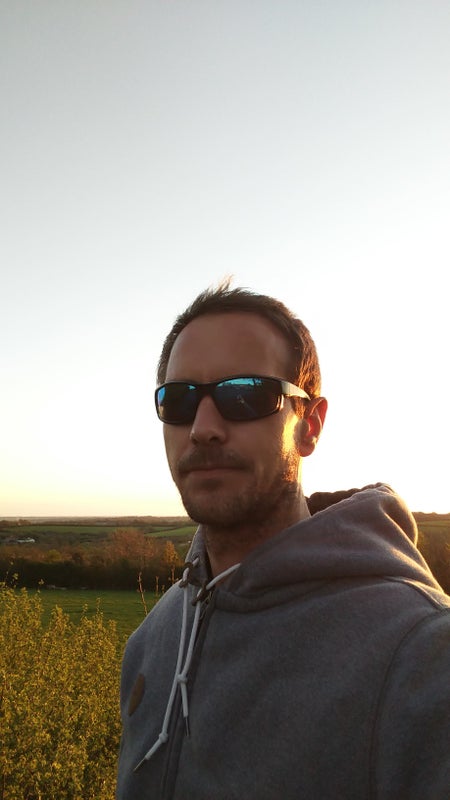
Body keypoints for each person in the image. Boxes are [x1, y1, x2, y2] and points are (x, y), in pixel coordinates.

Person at [116, 281, 450, 800]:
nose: (203, 428)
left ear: (309, 425)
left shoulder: (419, 652)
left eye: (245, 394)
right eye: (179, 401)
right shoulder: (152, 639)